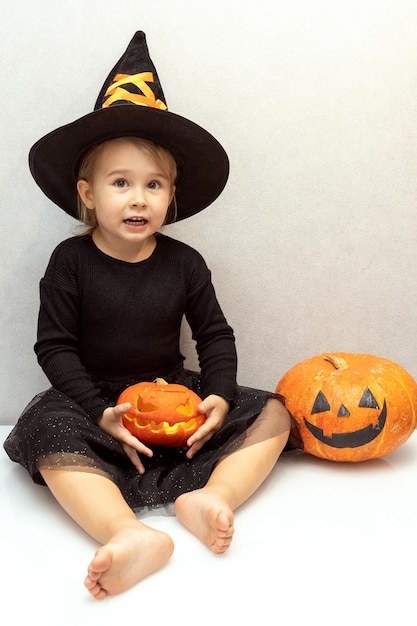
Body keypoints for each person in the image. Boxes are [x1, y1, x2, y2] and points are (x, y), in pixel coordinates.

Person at [3, 31, 291, 600]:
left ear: (171, 194)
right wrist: (100, 411)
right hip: (96, 403)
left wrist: (221, 396)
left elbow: (215, 335)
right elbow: (54, 347)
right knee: (44, 430)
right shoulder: (70, 261)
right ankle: (126, 533)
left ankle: (211, 497)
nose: (139, 199)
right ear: (87, 194)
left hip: (168, 396)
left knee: (277, 413)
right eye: (121, 183)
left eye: (153, 185)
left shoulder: (185, 263)